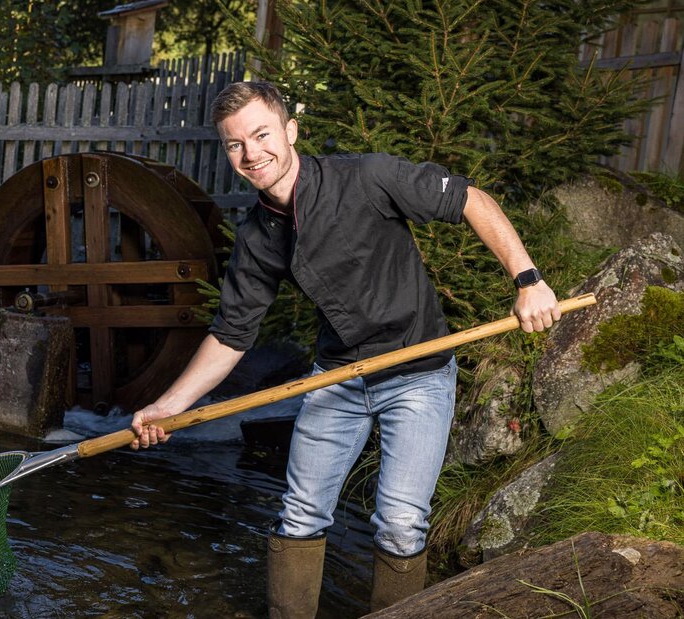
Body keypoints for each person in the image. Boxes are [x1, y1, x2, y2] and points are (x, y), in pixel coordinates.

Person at [128, 81, 560, 617]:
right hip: (336, 378)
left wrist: (528, 280)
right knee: (299, 516)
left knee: (401, 522)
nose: (251, 152)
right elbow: (231, 334)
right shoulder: (259, 234)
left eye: (261, 134)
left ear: (290, 131)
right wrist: (171, 406)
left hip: (419, 369)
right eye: (235, 144)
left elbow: (470, 199)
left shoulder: (368, 177)